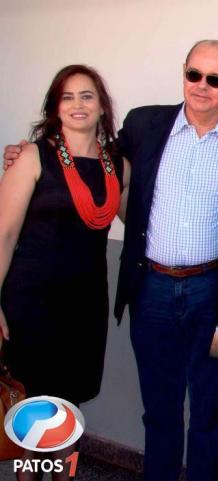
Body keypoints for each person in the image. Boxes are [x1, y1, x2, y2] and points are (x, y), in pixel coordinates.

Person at [112, 40, 218, 481]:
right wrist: (38, 151)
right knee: (159, 409)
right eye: (194, 74)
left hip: (213, 293)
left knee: (210, 412)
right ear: (183, 71)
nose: (202, 86)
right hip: (151, 289)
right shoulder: (143, 123)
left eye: (214, 79)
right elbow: (94, 159)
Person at [0, 64, 127, 481]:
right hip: (33, 303)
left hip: (85, 305)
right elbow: (4, 233)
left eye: (87, 95)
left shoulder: (118, 166)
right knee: (37, 412)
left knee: (66, 409)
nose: (77, 104)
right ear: (55, 108)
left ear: (102, 106)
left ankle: (63, 477)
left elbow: (139, 220)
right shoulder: (33, 156)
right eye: (67, 97)